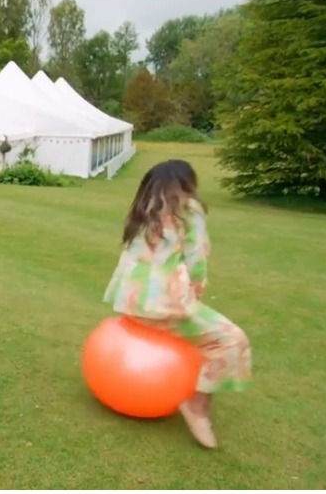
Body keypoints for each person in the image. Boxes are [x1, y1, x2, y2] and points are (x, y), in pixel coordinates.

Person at [102, 159, 251, 449]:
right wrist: (195, 293)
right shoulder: (188, 209)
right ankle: (196, 407)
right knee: (231, 340)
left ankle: (185, 392)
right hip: (162, 307)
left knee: (198, 329)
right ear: (187, 185)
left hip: (129, 304)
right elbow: (197, 259)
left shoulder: (143, 211)